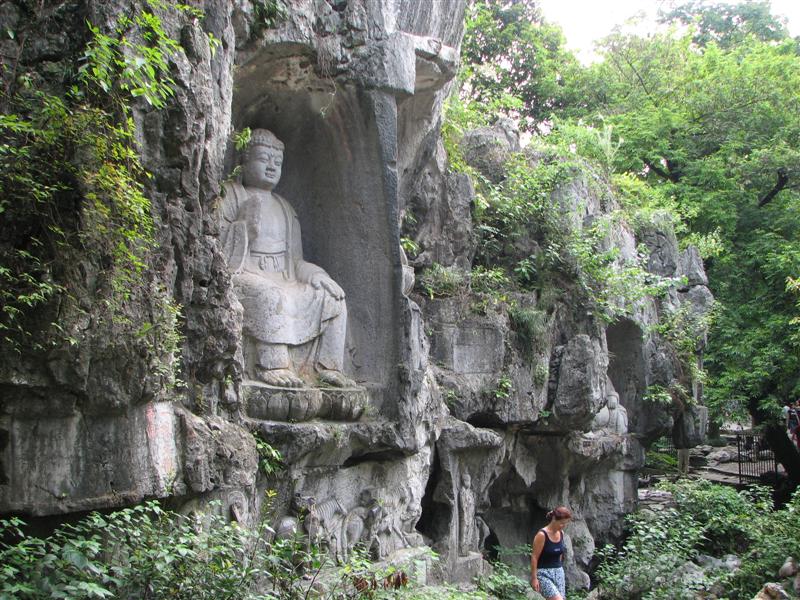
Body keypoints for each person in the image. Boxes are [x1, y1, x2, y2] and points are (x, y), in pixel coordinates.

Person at [220, 129, 354, 388]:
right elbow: (217, 256)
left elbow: (295, 262)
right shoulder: (230, 196)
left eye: (277, 162)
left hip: (284, 277)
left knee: (333, 296)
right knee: (271, 296)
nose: (271, 166)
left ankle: (328, 366)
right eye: (263, 158)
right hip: (245, 274)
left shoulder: (285, 207)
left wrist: (318, 276)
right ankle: (272, 365)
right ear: (244, 162)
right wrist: (243, 228)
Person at [531, 506, 571, 600]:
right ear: (554, 519)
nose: (563, 526)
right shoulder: (542, 535)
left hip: (558, 572)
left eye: (565, 524)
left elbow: (560, 554)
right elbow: (534, 557)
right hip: (543, 574)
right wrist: (534, 578)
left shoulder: (561, 533)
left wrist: (559, 568)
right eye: (561, 523)